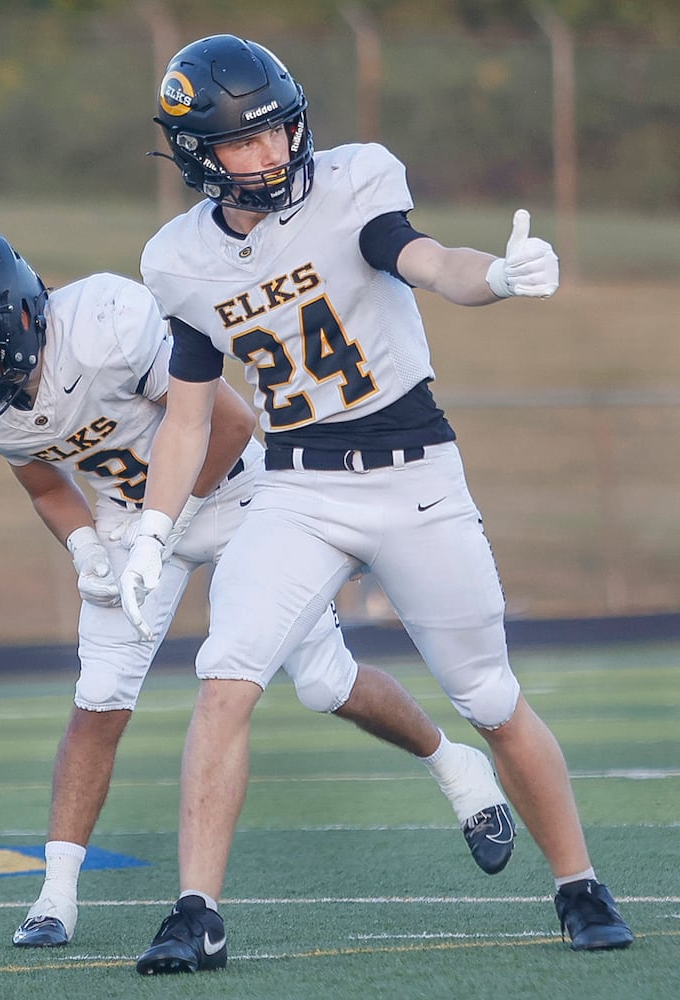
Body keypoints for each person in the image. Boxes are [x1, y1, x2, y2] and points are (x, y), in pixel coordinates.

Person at [120, 34, 634, 973]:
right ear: (199, 154)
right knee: (225, 674)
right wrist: (155, 527)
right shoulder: (179, 261)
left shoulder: (353, 184)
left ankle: (577, 882)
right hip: (298, 487)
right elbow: (189, 417)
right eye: (245, 143)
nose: (272, 154)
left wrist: (497, 279)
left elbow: (426, 260)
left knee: (488, 694)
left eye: (278, 132)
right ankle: (196, 911)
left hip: (414, 473)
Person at [0, 229, 518, 950]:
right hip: (127, 524)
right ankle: (55, 895)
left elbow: (227, 420)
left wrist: (166, 523)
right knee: (99, 699)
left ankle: (454, 765)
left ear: (22, 320)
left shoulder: (104, 323)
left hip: (232, 490)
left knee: (323, 682)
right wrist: (86, 545)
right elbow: (39, 477)